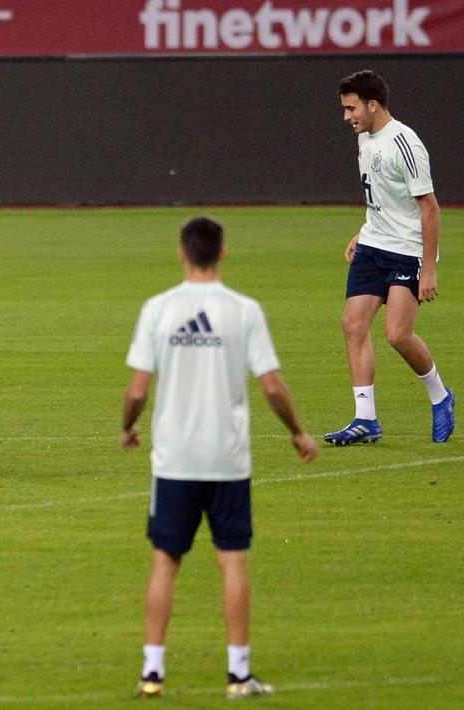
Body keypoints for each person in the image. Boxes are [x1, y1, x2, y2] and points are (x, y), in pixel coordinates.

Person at [120, 217, 320, 699]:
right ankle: (238, 675)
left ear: (182, 253)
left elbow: (138, 389)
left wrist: (127, 426)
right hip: (227, 460)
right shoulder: (243, 311)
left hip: (174, 460)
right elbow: (271, 385)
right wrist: (297, 432)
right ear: (223, 253)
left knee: (165, 562)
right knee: (232, 562)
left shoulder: (158, 309)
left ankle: (152, 674)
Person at [326, 70, 454, 446]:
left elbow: (430, 208)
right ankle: (365, 419)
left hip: (407, 251)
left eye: (351, 108)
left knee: (397, 334)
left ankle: (440, 396)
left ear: (373, 105)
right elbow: (381, 195)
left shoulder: (405, 144)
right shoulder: (364, 137)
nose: (347, 116)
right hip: (373, 245)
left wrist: (428, 268)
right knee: (353, 325)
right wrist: (363, 232)